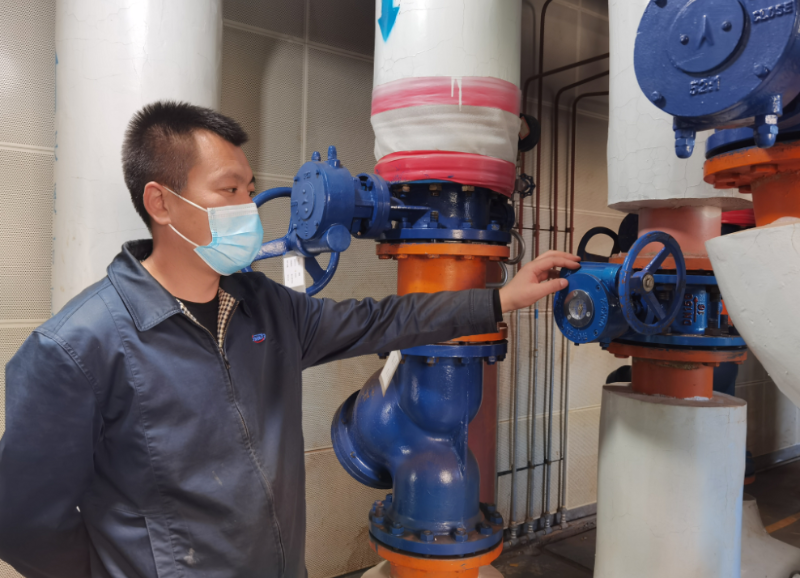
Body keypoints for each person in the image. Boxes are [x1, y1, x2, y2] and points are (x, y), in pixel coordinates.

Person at [0, 101, 580, 578]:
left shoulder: (264, 307)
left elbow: (380, 321)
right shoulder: (76, 349)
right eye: (228, 190)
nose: (248, 208)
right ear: (162, 202)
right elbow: (22, 522)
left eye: (249, 188)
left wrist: (499, 299)